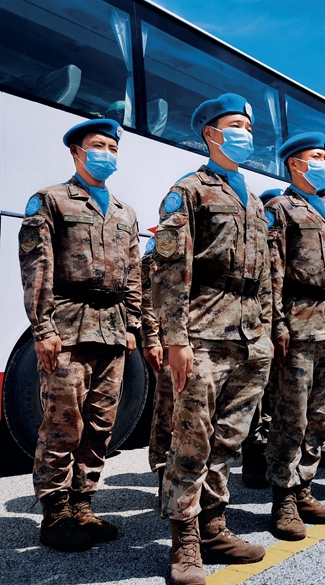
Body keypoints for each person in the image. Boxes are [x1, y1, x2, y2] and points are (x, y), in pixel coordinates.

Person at [152, 94, 272, 584]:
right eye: (235, 124)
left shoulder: (255, 200)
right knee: (192, 441)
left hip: (250, 337)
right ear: (211, 133)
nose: (245, 133)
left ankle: (214, 527)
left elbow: (266, 274)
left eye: (249, 126)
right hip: (203, 334)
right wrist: (175, 339)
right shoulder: (188, 191)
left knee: (228, 439)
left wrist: (267, 332)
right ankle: (184, 543)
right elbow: (169, 268)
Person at [19, 118, 141, 552]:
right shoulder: (51, 200)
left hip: (112, 331)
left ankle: (82, 505)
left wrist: (133, 324)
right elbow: (37, 268)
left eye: (113, 147)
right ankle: (55, 516)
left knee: (100, 426)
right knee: (62, 426)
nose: (107, 154)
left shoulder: (125, 212)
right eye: (98, 146)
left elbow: (134, 273)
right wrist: (43, 328)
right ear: (76, 151)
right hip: (68, 328)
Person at [265, 131, 325, 540]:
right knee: (292, 417)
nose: (324, 164)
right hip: (299, 324)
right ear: (295, 164)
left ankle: (304, 489)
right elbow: (273, 271)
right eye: (316, 157)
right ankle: (283, 499)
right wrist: (277, 324)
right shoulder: (280, 209)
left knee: (320, 418)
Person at [242, 188, 284, 490]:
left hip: (266, 327)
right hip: (245, 328)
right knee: (254, 401)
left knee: (272, 398)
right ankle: (253, 457)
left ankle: (267, 452)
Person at [140, 230, 174, 508]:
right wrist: (152, 338)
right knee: (167, 411)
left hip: (203, 336)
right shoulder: (165, 238)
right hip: (169, 338)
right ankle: (164, 478)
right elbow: (148, 292)